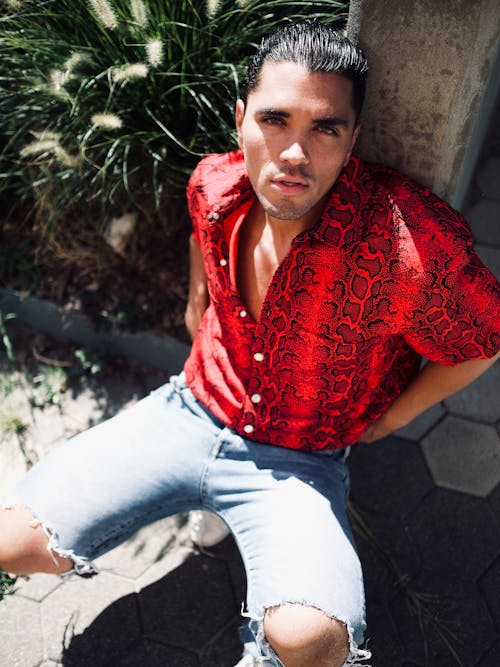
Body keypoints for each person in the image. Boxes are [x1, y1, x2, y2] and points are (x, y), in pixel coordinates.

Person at [1, 20, 499, 667]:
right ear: (241, 120)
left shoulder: (404, 242)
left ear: (354, 141)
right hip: (191, 408)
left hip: (300, 458)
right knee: (16, 540)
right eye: (275, 119)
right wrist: (194, 304)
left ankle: (253, 549)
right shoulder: (215, 184)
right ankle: (207, 505)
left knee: (312, 641)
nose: (295, 152)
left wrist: (392, 417)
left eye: (325, 128)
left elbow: (482, 336)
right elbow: (197, 239)